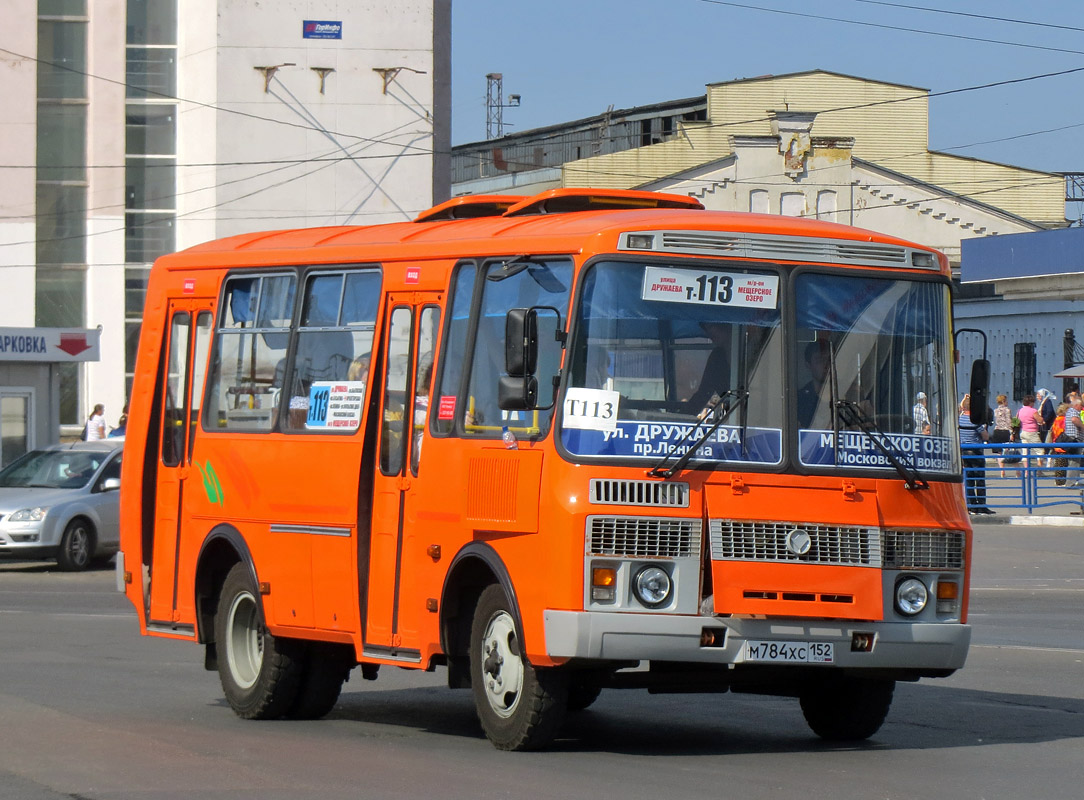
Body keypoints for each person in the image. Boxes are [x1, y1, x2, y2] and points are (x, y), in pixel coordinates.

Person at [958, 394, 992, 514]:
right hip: (976, 451)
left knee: (969, 479)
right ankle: (981, 505)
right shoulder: (975, 421)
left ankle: (971, 505)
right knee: (980, 479)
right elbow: (985, 436)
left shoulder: (959, 420)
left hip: (964, 452)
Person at [796, 340, 832, 430]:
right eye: (819, 360)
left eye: (828, 360)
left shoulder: (849, 393)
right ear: (808, 365)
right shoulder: (799, 400)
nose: (825, 365)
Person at [990, 395, 1013, 477]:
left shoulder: (995, 410)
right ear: (1003, 401)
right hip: (1005, 431)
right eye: (1006, 401)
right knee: (1008, 450)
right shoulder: (1007, 410)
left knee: (999, 452)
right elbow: (1009, 422)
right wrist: (1012, 432)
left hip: (997, 431)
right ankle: (1017, 470)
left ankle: (1002, 470)